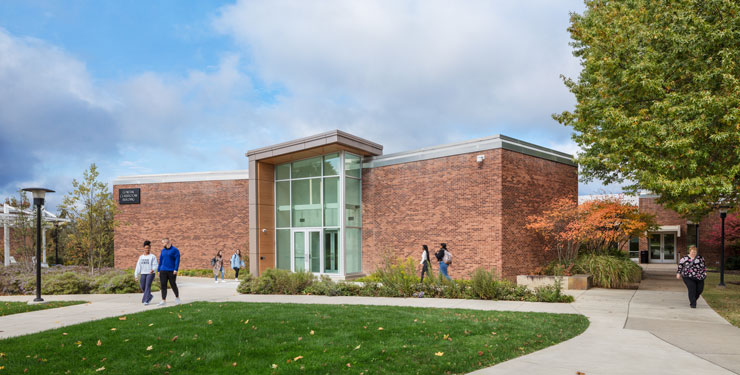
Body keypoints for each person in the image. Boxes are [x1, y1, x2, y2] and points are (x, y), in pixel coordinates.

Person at [157, 237, 181, 306]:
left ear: (167, 242)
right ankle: (163, 300)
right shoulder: (162, 251)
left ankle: (177, 297)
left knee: (173, 284)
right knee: (163, 285)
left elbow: (177, 260)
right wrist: (159, 270)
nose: (162, 244)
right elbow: (160, 260)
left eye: (163, 243)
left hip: (171, 271)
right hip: (163, 270)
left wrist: (176, 269)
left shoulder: (175, 250)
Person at [134, 240, 158, 305]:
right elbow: (138, 266)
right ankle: (149, 296)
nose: (147, 249)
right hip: (143, 273)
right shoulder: (141, 257)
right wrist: (136, 275)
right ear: (144, 248)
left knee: (147, 286)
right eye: (146, 248)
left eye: (148, 248)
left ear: (150, 248)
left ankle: (146, 300)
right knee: (142, 286)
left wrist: (153, 269)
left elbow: (155, 265)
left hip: (150, 273)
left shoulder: (152, 256)